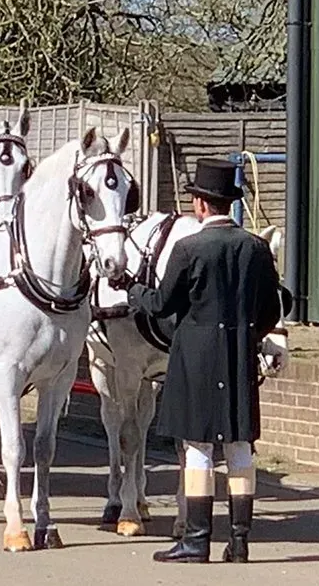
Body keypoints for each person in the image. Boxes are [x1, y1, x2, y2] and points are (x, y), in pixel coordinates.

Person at [113, 158, 282, 564]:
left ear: (201, 205)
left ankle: (195, 540)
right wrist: (247, 335)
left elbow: (161, 304)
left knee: (198, 448)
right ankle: (239, 541)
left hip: (194, 358)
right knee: (240, 446)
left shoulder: (188, 249)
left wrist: (132, 290)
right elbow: (272, 310)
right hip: (238, 355)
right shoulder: (256, 247)